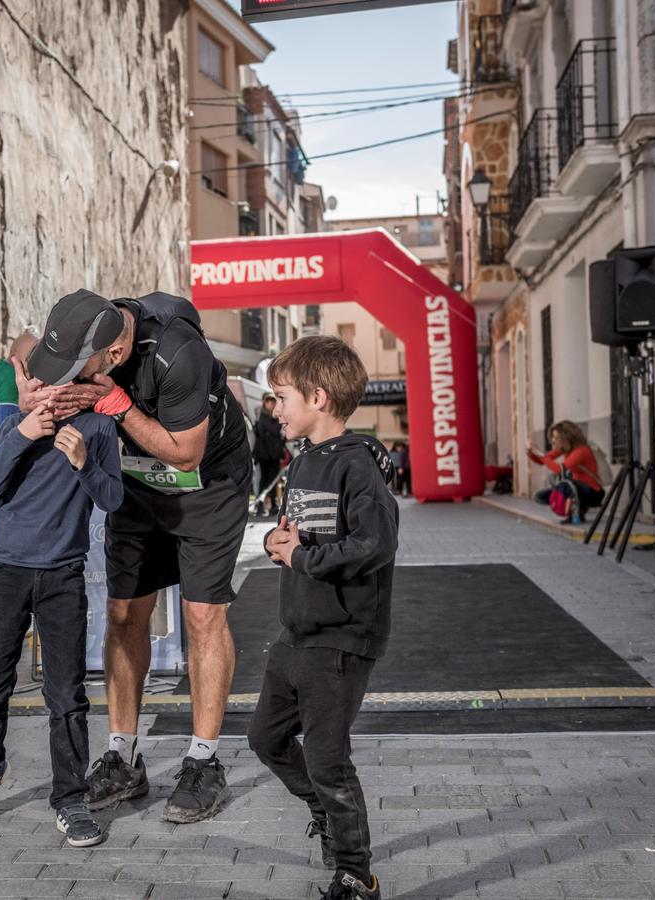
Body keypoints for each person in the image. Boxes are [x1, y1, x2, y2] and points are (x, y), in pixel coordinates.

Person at [19, 290, 251, 824]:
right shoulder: (90, 332)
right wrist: (38, 397)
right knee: (124, 612)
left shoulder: (178, 353)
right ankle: (123, 754)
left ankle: (202, 760)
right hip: (140, 485)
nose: (68, 377)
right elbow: (31, 370)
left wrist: (114, 406)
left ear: (114, 358)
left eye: (79, 371)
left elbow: (184, 451)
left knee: (202, 616)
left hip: (207, 483)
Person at [0, 294, 123, 847]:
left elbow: (114, 498)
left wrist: (81, 463)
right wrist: (26, 432)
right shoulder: (17, 424)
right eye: (33, 377)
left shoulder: (97, 429)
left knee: (66, 693)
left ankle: (70, 798)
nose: (45, 387)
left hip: (62, 575)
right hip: (6, 570)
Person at [249, 335, 398, 900]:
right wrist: (276, 540)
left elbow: (376, 543)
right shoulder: (306, 458)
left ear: (318, 397)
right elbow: (296, 531)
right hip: (297, 631)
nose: (275, 408)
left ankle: (356, 874)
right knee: (265, 739)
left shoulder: (359, 466)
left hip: (341, 638)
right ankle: (325, 815)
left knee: (330, 760)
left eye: (281, 396)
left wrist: (302, 556)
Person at [527, 420, 604, 521]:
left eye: (556, 438)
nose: (553, 441)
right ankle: (577, 508)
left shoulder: (581, 451)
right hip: (574, 488)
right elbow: (544, 460)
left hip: (593, 492)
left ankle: (576, 511)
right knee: (540, 496)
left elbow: (559, 469)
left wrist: (541, 455)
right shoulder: (564, 449)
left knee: (559, 479)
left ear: (566, 438)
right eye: (553, 437)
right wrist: (531, 453)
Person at [252, 394, 285, 516]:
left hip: (274, 455)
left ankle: (272, 507)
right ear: (265, 403)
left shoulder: (274, 417)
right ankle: (261, 505)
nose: (271, 404)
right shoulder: (263, 416)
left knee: (273, 481)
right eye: (268, 402)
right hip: (264, 455)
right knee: (264, 481)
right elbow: (274, 430)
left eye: (272, 402)